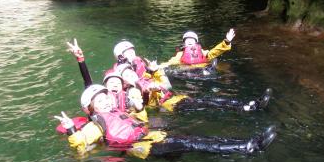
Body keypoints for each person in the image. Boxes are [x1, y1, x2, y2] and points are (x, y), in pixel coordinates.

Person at [55, 84, 277, 158]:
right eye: (98, 101)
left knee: (193, 139)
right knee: (190, 143)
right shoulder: (96, 124)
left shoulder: (118, 113)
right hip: (140, 147)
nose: (104, 102)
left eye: (105, 98)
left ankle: (244, 143)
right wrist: (71, 130)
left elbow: (139, 122)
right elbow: (81, 143)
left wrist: (140, 108)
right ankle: (248, 146)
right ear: (90, 109)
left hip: (150, 138)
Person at [116, 62, 272, 112]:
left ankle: (250, 103)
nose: (132, 76)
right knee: (207, 103)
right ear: (124, 82)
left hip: (175, 98)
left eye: (131, 72)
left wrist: (156, 71)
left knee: (209, 100)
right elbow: (140, 106)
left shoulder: (145, 78)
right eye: (127, 76)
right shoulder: (132, 92)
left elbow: (167, 86)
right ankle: (248, 107)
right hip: (170, 105)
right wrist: (146, 93)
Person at [66, 39, 148, 122]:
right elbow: (88, 84)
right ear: (105, 87)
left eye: (118, 83)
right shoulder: (98, 100)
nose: (115, 85)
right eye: (111, 82)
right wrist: (80, 59)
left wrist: (141, 104)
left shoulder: (127, 98)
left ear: (123, 86)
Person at [160, 29, 236, 68]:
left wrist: (227, 41)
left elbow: (215, 52)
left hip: (201, 71)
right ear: (184, 43)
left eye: (192, 39)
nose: (189, 41)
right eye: (187, 40)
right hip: (186, 73)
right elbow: (170, 63)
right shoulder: (180, 55)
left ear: (196, 42)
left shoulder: (203, 52)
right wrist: (158, 66)